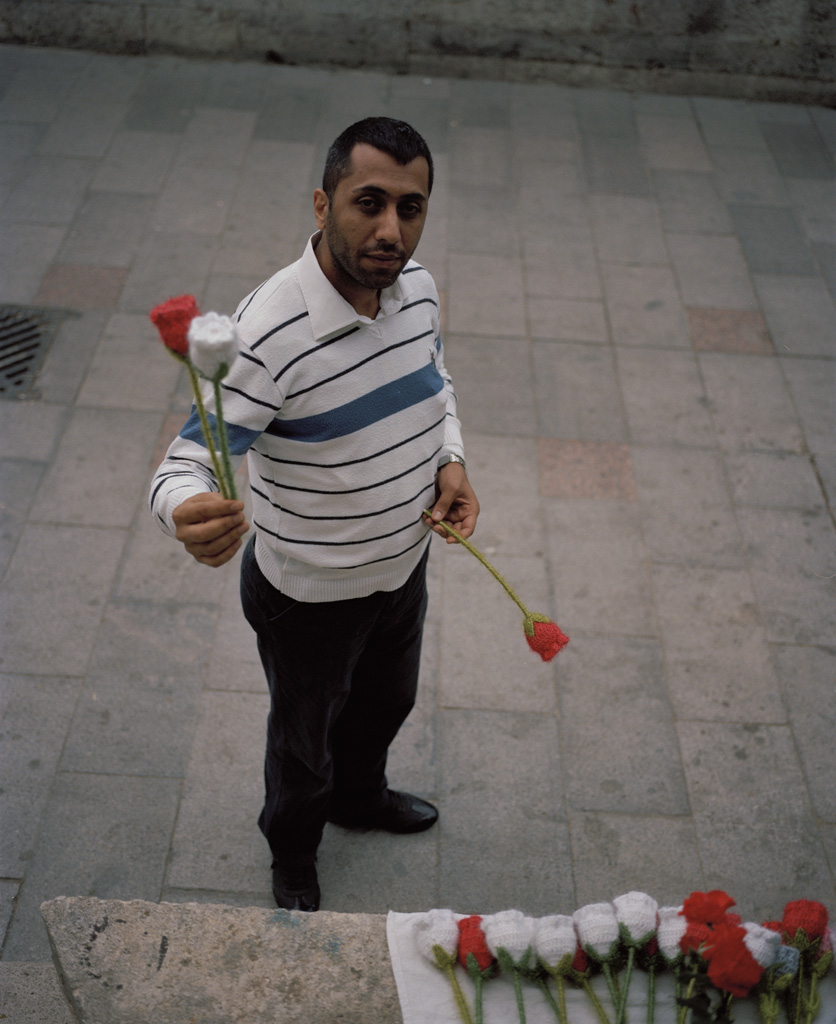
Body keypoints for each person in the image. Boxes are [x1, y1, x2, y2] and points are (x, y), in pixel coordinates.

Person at [150, 117, 479, 913]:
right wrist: (187, 511)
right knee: (304, 746)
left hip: (402, 567)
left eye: (411, 207)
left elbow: (437, 384)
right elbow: (185, 462)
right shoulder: (265, 334)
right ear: (323, 203)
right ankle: (294, 852)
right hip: (308, 596)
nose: (391, 230)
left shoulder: (419, 289)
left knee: (387, 702)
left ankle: (360, 800)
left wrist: (451, 458)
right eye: (369, 203)